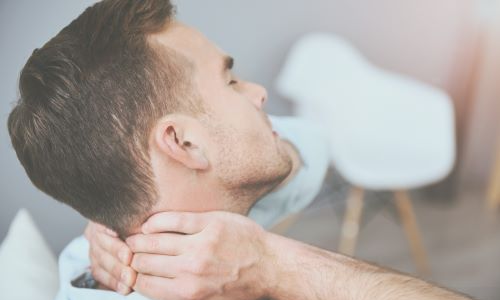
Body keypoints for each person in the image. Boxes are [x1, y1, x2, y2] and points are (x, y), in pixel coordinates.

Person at [7, 0, 472, 299]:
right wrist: (274, 268)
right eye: (230, 81)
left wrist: (114, 197)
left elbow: (313, 147)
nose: (259, 92)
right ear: (182, 143)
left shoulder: (110, 248)